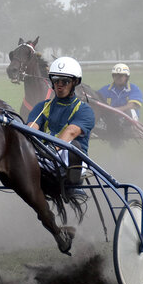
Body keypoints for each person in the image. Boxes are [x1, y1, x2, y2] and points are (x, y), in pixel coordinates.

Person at [27, 57, 95, 200]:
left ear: (75, 82)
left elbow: (71, 132)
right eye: (56, 80)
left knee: (72, 146)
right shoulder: (42, 107)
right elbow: (31, 129)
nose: (59, 85)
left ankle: (74, 186)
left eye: (65, 81)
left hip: (69, 160)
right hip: (44, 157)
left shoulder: (84, 110)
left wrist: (50, 150)